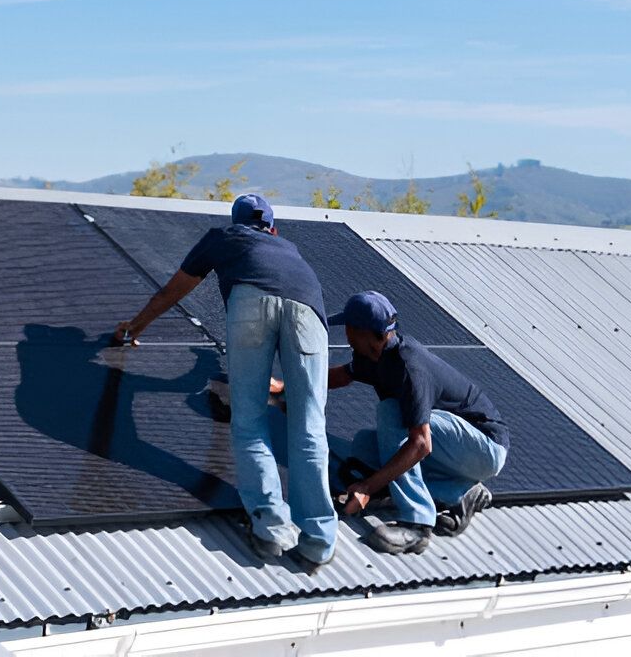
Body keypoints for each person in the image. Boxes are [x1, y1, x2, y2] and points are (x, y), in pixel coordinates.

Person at [115, 193, 336, 568]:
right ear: (273, 228)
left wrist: (135, 326)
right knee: (310, 427)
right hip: (309, 309)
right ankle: (319, 540)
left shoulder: (223, 237)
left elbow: (175, 290)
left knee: (249, 421)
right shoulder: (290, 248)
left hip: (250, 303)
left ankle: (270, 527)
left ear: (236, 223)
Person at [326, 291, 510, 555]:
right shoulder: (374, 357)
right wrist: (287, 386)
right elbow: (342, 376)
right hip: (453, 450)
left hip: (484, 447)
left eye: (350, 328)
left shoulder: (408, 367)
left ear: (370, 334)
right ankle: (458, 492)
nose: (346, 335)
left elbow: (421, 444)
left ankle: (417, 523)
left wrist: (368, 487)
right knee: (365, 445)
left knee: (391, 412)